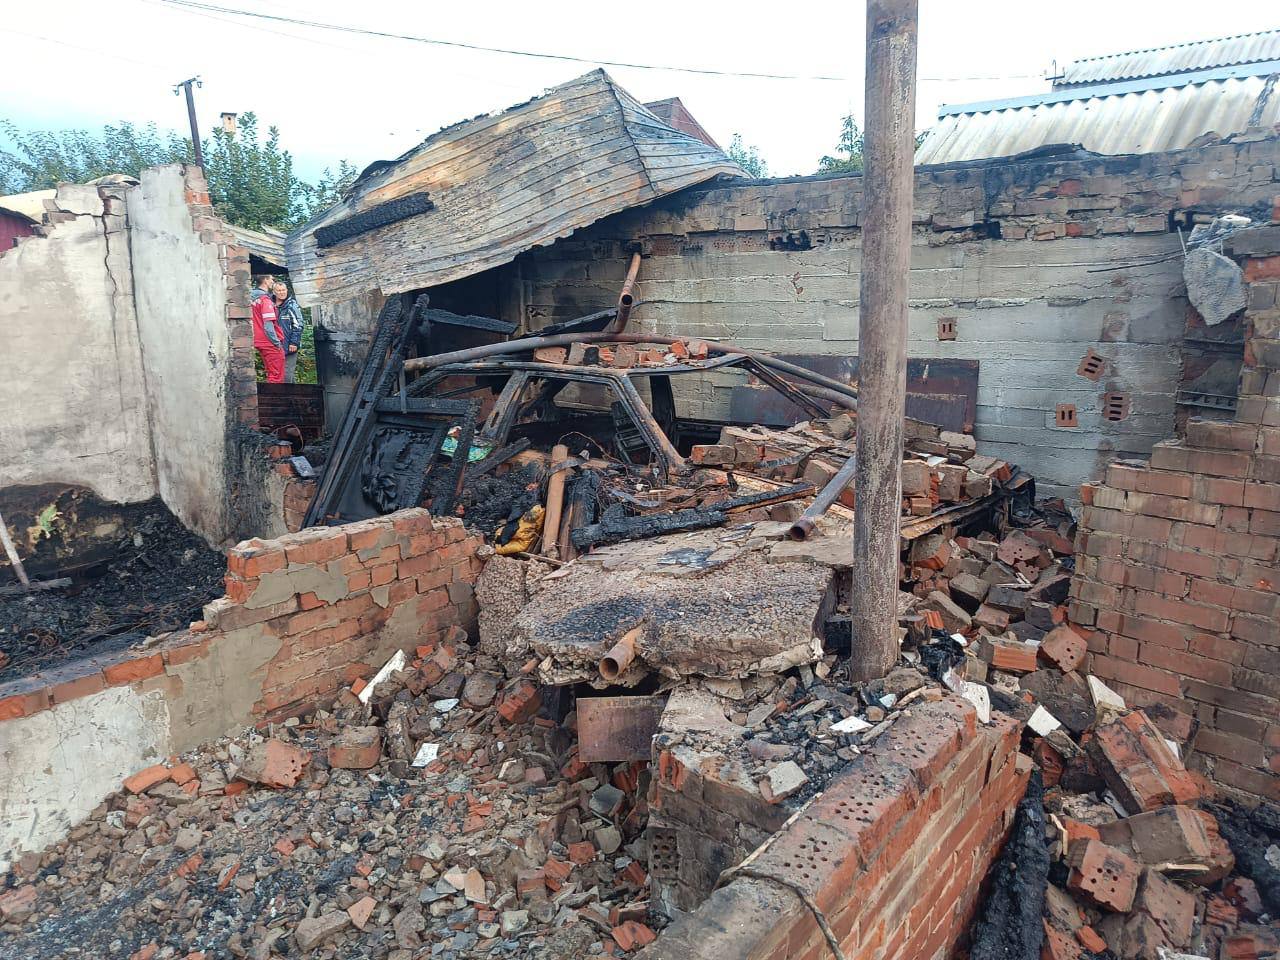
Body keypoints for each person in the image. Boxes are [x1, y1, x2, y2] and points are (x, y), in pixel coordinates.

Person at [251, 275, 285, 384]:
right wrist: (276, 343)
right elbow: (268, 326)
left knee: (271, 373)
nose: (273, 281)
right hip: (268, 342)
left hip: (257, 339)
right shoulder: (265, 300)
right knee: (276, 376)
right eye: (271, 279)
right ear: (265, 280)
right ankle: (276, 395)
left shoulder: (251, 299)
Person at [274, 280, 305, 383]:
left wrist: (294, 342)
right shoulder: (270, 305)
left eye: (283, 290)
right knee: (282, 373)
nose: (282, 292)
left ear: (287, 290)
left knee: (287, 374)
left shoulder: (292, 306)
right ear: (274, 292)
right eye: (279, 290)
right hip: (276, 345)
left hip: (290, 346)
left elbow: (299, 325)